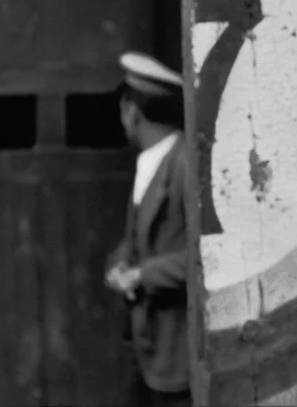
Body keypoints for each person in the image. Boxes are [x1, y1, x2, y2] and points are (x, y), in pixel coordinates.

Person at [104, 51, 194, 406]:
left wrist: (142, 275)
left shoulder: (185, 162)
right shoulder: (151, 162)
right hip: (148, 346)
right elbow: (139, 239)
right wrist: (120, 263)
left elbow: (205, 256)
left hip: (178, 348)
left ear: (132, 110)